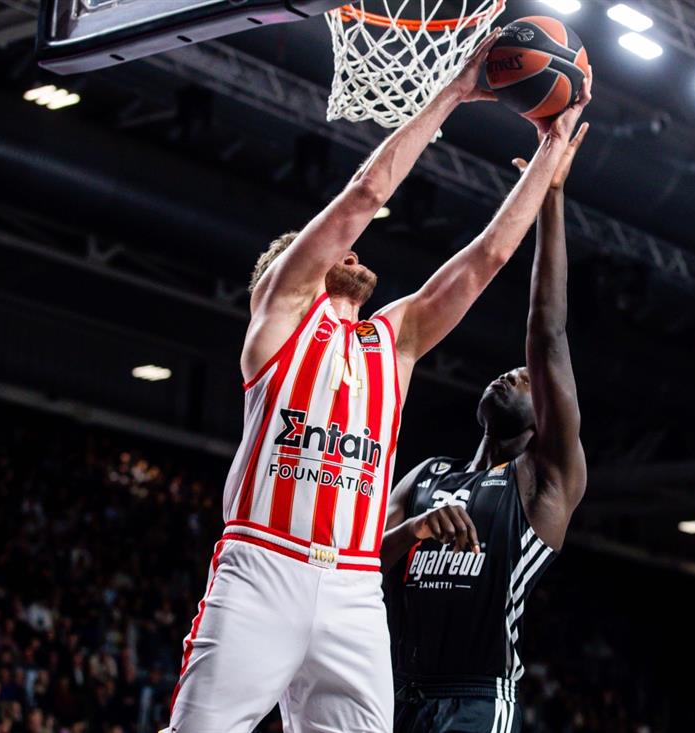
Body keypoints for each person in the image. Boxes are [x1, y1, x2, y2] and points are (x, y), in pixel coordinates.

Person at [166, 29, 593, 733]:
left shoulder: (390, 341)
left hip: (354, 585)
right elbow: (365, 193)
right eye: (337, 249)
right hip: (265, 564)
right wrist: (455, 91)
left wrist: (551, 150)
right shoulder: (280, 319)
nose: (354, 249)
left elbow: (487, 258)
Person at [380, 116, 590, 733]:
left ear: (544, 415)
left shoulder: (543, 481)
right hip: (395, 691)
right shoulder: (427, 476)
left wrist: (551, 197)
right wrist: (413, 529)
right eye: (508, 374)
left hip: (476, 699)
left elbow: (547, 334)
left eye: (523, 380)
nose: (510, 377)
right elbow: (359, 561)